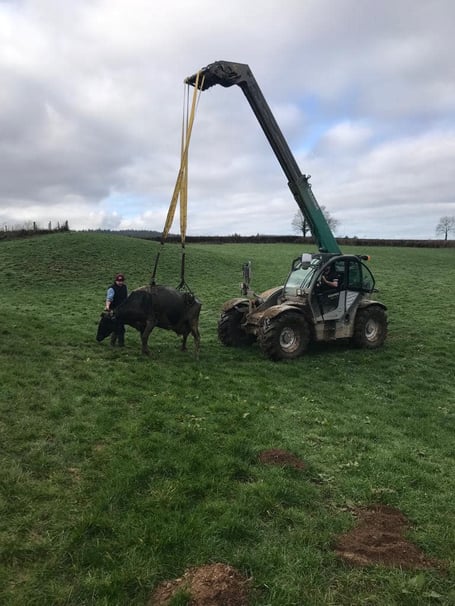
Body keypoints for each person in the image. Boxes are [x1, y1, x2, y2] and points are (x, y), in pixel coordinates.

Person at [104, 273, 128, 346]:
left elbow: (126, 297)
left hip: (122, 310)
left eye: (121, 281)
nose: (120, 282)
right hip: (114, 310)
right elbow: (109, 299)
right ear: (116, 281)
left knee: (121, 327)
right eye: (119, 281)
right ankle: (113, 343)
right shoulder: (112, 288)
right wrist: (107, 306)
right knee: (116, 327)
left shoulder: (124, 287)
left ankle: (120, 343)